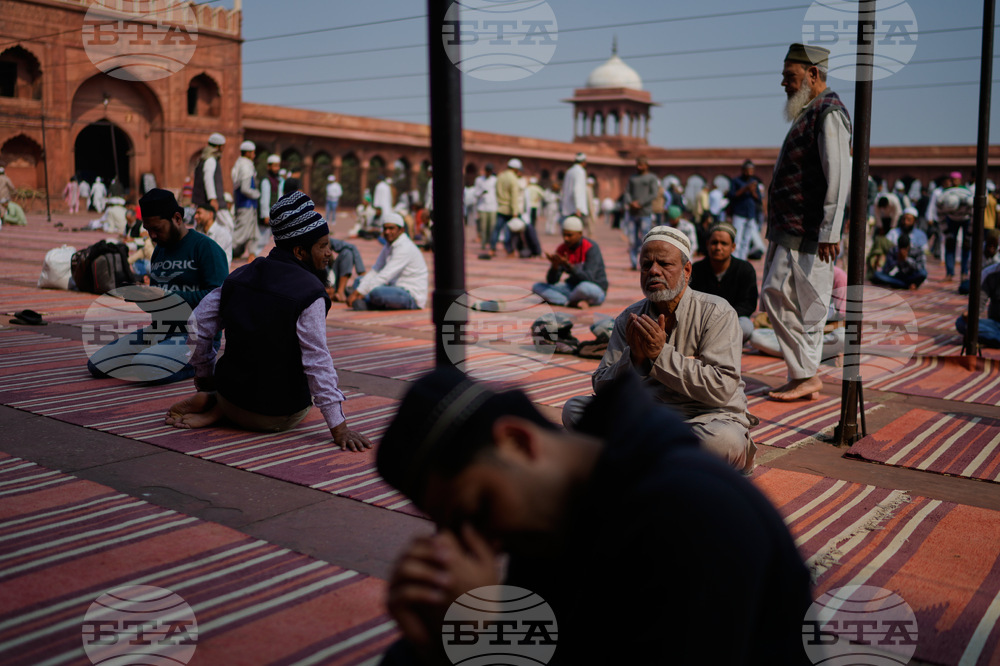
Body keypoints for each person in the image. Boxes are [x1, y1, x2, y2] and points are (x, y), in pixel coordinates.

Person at [376, 368, 812, 665]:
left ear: (516, 442)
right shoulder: (556, 515)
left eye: (479, 510)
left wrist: (486, 639)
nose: (486, 542)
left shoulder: (692, 514)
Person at [164, 192, 372, 453]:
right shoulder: (309, 293)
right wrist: (339, 428)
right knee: (305, 394)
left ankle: (216, 406)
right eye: (322, 246)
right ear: (299, 251)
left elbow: (198, 324)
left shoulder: (239, 275)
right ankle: (217, 410)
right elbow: (317, 361)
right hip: (276, 415)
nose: (329, 253)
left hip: (231, 396)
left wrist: (206, 378)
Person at [562, 226, 755, 472]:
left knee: (722, 441)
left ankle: (642, 458)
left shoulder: (717, 312)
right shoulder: (629, 318)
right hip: (648, 415)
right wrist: (634, 360)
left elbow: (721, 387)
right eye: (646, 265)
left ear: (686, 270)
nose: (653, 271)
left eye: (664, 264)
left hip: (706, 418)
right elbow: (601, 384)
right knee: (575, 411)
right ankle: (666, 460)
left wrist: (659, 356)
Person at [761, 43, 851, 402]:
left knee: (778, 294)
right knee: (801, 304)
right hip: (792, 229)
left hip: (808, 231)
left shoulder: (828, 112)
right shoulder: (810, 112)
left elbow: (839, 176)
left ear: (812, 75)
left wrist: (830, 230)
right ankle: (802, 375)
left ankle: (805, 374)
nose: (784, 84)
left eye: (790, 77)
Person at [87, 189, 228, 384]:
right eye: (147, 229)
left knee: (144, 365)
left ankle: (199, 363)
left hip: (195, 336)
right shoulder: (159, 251)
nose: (152, 235)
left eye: (157, 228)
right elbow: (158, 303)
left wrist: (167, 297)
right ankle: (160, 358)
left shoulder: (206, 248)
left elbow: (219, 299)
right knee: (97, 364)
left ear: (177, 218)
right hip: (160, 331)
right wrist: (141, 296)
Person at [690, 222, 758, 343]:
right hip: (703, 320)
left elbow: (748, 304)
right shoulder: (697, 269)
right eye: (714, 243)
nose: (718, 247)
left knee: (746, 327)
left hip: (732, 319)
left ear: (733, 247)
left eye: (724, 244)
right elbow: (690, 301)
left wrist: (724, 317)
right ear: (707, 244)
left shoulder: (744, 269)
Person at [347, 211, 428, 311]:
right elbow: (376, 270)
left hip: (409, 294)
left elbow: (385, 275)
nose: (387, 232)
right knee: (359, 280)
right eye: (385, 228)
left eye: (391, 228)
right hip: (392, 286)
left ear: (401, 230)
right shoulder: (388, 245)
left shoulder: (405, 247)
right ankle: (367, 301)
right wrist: (359, 291)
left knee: (377, 293)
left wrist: (358, 292)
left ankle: (366, 301)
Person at [532, 216, 607, 308]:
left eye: (569, 235)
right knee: (537, 287)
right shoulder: (562, 249)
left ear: (580, 234)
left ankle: (563, 300)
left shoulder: (591, 248)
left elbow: (588, 278)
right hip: (571, 287)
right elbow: (552, 281)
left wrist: (568, 265)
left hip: (594, 288)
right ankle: (570, 302)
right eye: (564, 235)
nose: (566, 238)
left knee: (584, 288)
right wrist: (554, 267)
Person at [956, 229, 1000, 348]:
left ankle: (989, 339)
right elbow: (978, 305)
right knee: (962, 323)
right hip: (996, 324)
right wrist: (970, 315)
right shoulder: (990, 273)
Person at [623, 155, 660, 270]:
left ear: (646, 165)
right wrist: (630, 202)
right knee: (633, 239)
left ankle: (645, 262)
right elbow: (627, 192)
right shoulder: (633, 178)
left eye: (641, 164)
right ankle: (634, 263)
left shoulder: (651, 178)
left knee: (645, 239)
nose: (638, 166)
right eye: (637, 164)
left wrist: (641, 203)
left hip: (645, 213)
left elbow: (654, 194)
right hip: (633, 213)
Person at [937, 179, 975, 281]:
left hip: (965, 219)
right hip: (951, 220)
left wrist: (969, 235)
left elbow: (974, 219)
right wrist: (946, 232)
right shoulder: (941, 200)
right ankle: (949, 273)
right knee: (949, 244)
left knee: (966, 246)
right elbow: (940, 218)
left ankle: (964, 273)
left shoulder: (969, 201)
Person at [231, 140, 261, 261]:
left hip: (248, 205)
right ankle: (222, 250)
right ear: (248, 153)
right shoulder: (246, 166)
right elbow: (245, 188)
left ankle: (252, 254)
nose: (254, 155)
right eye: (253, 152)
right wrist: (257, 194)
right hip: (246, 204)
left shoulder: (240, 164)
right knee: (240, 234)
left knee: (254, 233)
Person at [729, 159, 763, 260]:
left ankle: (742, 260)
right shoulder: (736, 181)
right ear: (743, 170)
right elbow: (732, 195)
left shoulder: (754, 183)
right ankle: (735, 259)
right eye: (747, 170)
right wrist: (745, 188)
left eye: (751, 170)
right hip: (739, 213)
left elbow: (759, 199)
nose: (749, 172)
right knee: (737, 239)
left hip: (750, 214)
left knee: (747, 240)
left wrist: (753, 192)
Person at [491, 158, 524, 257]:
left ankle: (492, 248)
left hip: (500, 207)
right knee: (508, 232)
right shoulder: (513, 179)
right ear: (516, 169)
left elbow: (496, 191)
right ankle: (509, 250)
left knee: (496, 230)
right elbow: (514, 196)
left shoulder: (500, 176)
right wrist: (515, 211)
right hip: (509, 209)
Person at [192, 133, 226, 213]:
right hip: (212, 204)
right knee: (227, 224)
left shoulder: (204, 159)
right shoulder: (210, 159)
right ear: (218, 146)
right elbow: (208, 178)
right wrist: (212, 198)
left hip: (204, 202)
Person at [257, 154, 283, 256]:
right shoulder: (266, 180)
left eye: (278, 166)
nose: (277, 168)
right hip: (267, 215)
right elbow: (264, 199)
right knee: (261, 239)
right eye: (274, 166)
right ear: (269, 166)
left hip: (275, 214)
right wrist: (265, 215)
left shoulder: (279, 180)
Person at [194, 203, 233, 269]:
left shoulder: (222, 233)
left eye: (199, 213)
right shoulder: (198, 232)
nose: (196, 216)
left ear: (210, 214)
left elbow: (214, 257)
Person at [326, 238, 366, 302]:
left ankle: (340, 291)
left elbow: (352, 247)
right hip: (320, 281)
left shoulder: (327, 239)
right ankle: (329, 293)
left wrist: (362, 273)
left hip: (332, 277)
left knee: (347, 253)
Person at [473, 164, 497, 252]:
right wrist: (481, 193)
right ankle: (483, 243)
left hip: (493, 206)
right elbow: (475, 193)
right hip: (482, 206)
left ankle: (491, 243)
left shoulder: (495, 180)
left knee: (492, 227)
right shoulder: (479, 180)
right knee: (483, 227)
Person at [560, 152, 589, 224]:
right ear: (583, 162)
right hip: (575, 208)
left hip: (567, 207)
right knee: (576, 231)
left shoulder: (569, 171)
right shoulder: (580, 171)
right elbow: (577, 190)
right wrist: (578, 207)